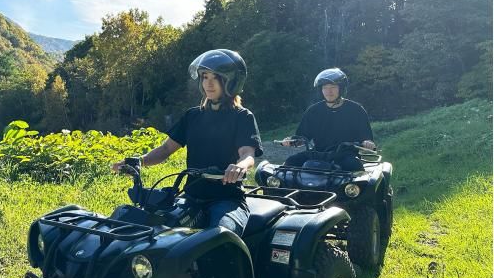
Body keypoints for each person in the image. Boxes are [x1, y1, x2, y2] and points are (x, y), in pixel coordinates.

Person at [112, 49, 263, 236]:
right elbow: (167, 148)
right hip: (191, 198)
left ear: (232, 81)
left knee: (220, 237)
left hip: (227, 200)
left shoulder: (242, 117)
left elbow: (248, 153)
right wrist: (138, 161)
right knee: (154, 232)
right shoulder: (193, 116)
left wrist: (239, 167)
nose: (208, 82)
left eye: (216, 77)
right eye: (204, 76)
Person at [282, 68, 374, 171]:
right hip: (317, 154)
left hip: (344, 155)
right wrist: (292, 141)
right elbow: (302, 137)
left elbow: (365, 136)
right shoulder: (314, 111)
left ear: (341, 88)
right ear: (321, 90)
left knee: (354, 166)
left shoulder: (356, 110)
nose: (328, 91)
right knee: (291, 161)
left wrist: (367, 142)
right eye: (325, 87)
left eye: (333, 87)